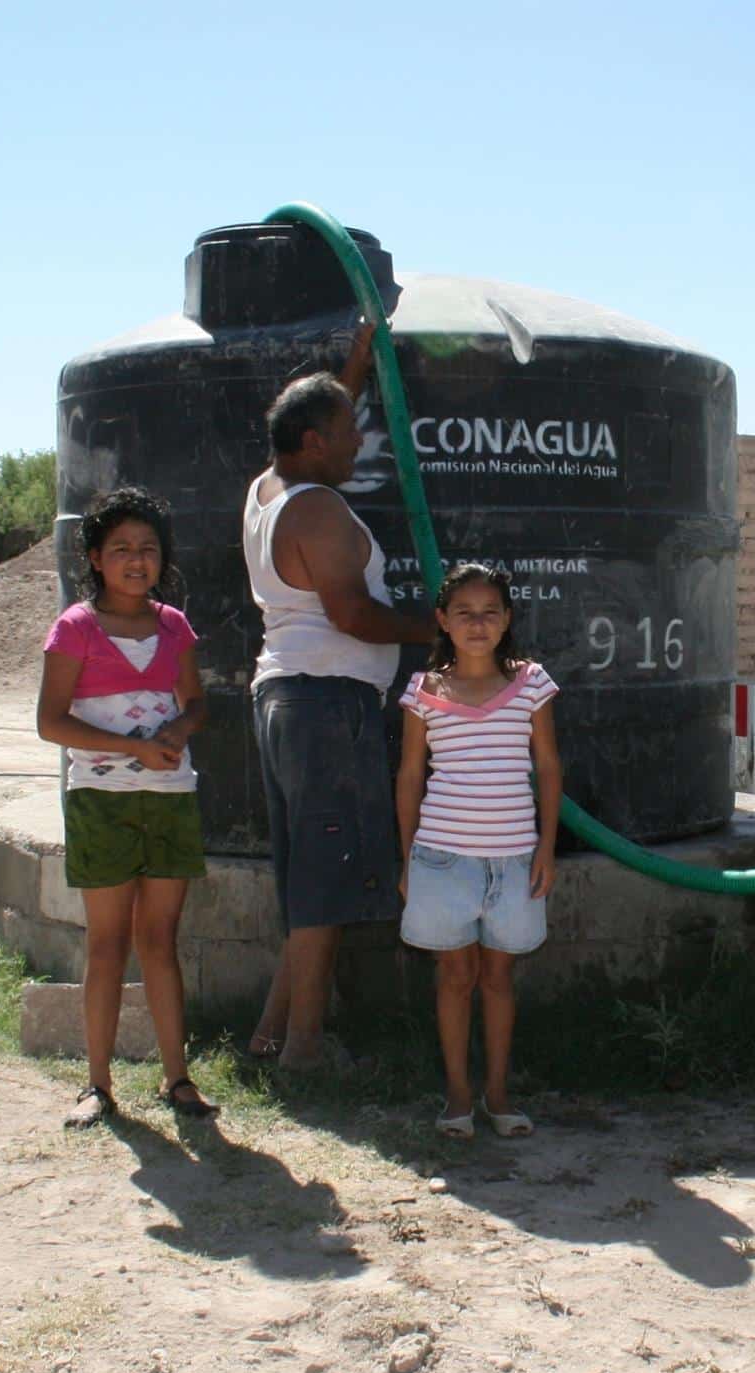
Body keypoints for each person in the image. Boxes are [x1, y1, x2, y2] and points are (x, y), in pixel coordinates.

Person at [243, 321, 434, 1070]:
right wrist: (436, 629)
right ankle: (305, 1049)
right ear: (314, 442)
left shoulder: (268, 488)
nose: (360, 445)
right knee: (323, 883)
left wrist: (351, 375)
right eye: (347, 434)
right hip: (326, 705)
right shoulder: (319, 510)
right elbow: (352, 613)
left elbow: (309, 428)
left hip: (285, 698)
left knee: (305, 876)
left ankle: (269, 1033)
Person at [37, 486, 216, 1127]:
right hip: (102, 802)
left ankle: (178, 1078)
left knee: (160, 942)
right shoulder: (75, 629)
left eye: (148, 548)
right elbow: (51, 723)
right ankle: (98, 1086)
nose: (136, 560)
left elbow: (195, 703)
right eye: (121, 549)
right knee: (108, 944)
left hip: (169, 799)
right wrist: (128, 749)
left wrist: (177, 733)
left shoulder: (173, 625)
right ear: (94, 558)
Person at [394, 563, 561, 1138]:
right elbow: (411, 775)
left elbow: (547, 765)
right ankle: (458, 1097)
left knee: (498, 978)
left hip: (514, 861)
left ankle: (498, 1093)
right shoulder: (423, 692)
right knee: (454, 976)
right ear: (442, 619)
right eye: (463, 612)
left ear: (508, 619)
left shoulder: (532, 683)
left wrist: (546, 847)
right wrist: (406, 859)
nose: (477, 623)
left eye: (490, 611)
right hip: (441, 859)